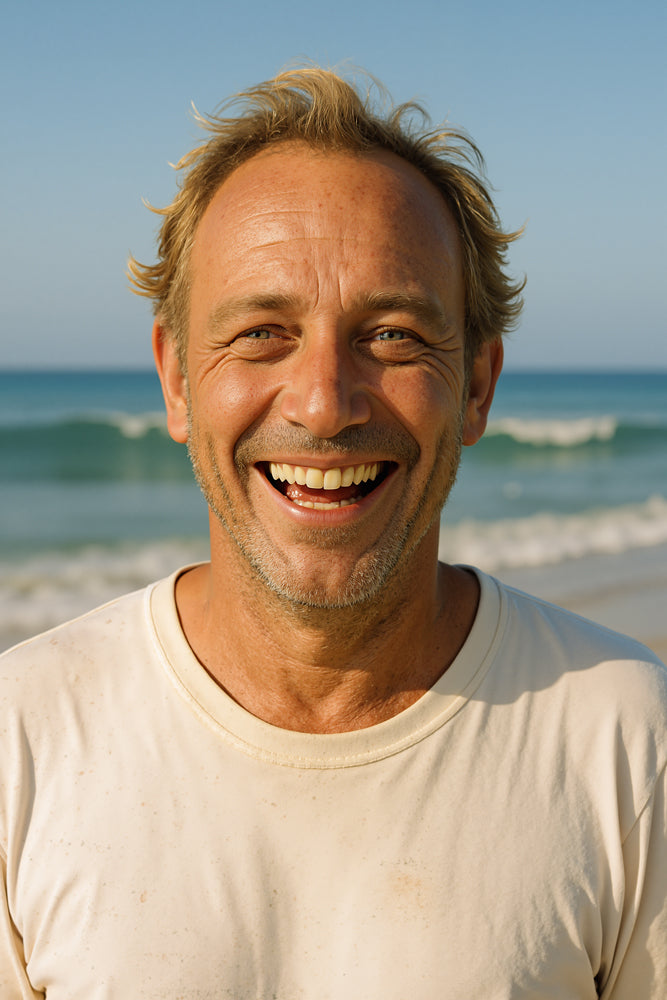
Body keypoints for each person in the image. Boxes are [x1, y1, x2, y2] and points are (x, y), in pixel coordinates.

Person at [1, 68, 665, 999]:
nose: (323, 404)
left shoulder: (626, 740)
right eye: (263, 332)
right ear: (178, 378)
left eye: (391, 336)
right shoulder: (23, 741)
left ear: (475, 385)